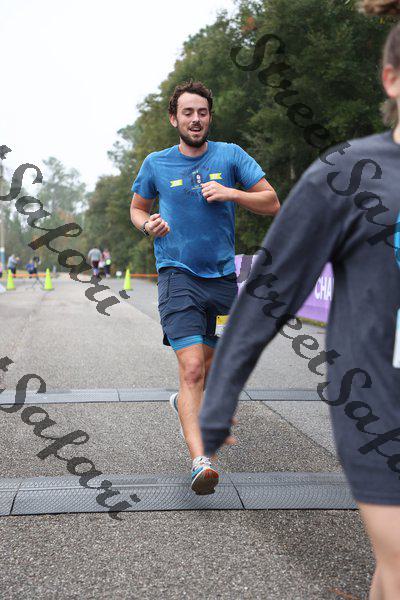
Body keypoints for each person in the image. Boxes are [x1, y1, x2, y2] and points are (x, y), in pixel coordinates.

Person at [199, 4, 400, 598]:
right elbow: (270, 291)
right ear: (392, 79)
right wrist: (220, 395)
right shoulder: (349, 174)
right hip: (379, 406)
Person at [130, 80, 280, 494]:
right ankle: (202, 461)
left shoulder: (230, 156)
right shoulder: (156, 164)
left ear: (209, 117)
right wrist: (147, 225)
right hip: (176, 275)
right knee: (192, 368)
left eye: (202, 112)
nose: (195, 119)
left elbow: (272, 202)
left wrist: (232, 193)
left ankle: (185, 401)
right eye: (188, 113)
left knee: (209, 371)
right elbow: (138, 208)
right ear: (173, 118)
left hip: (222, 280)